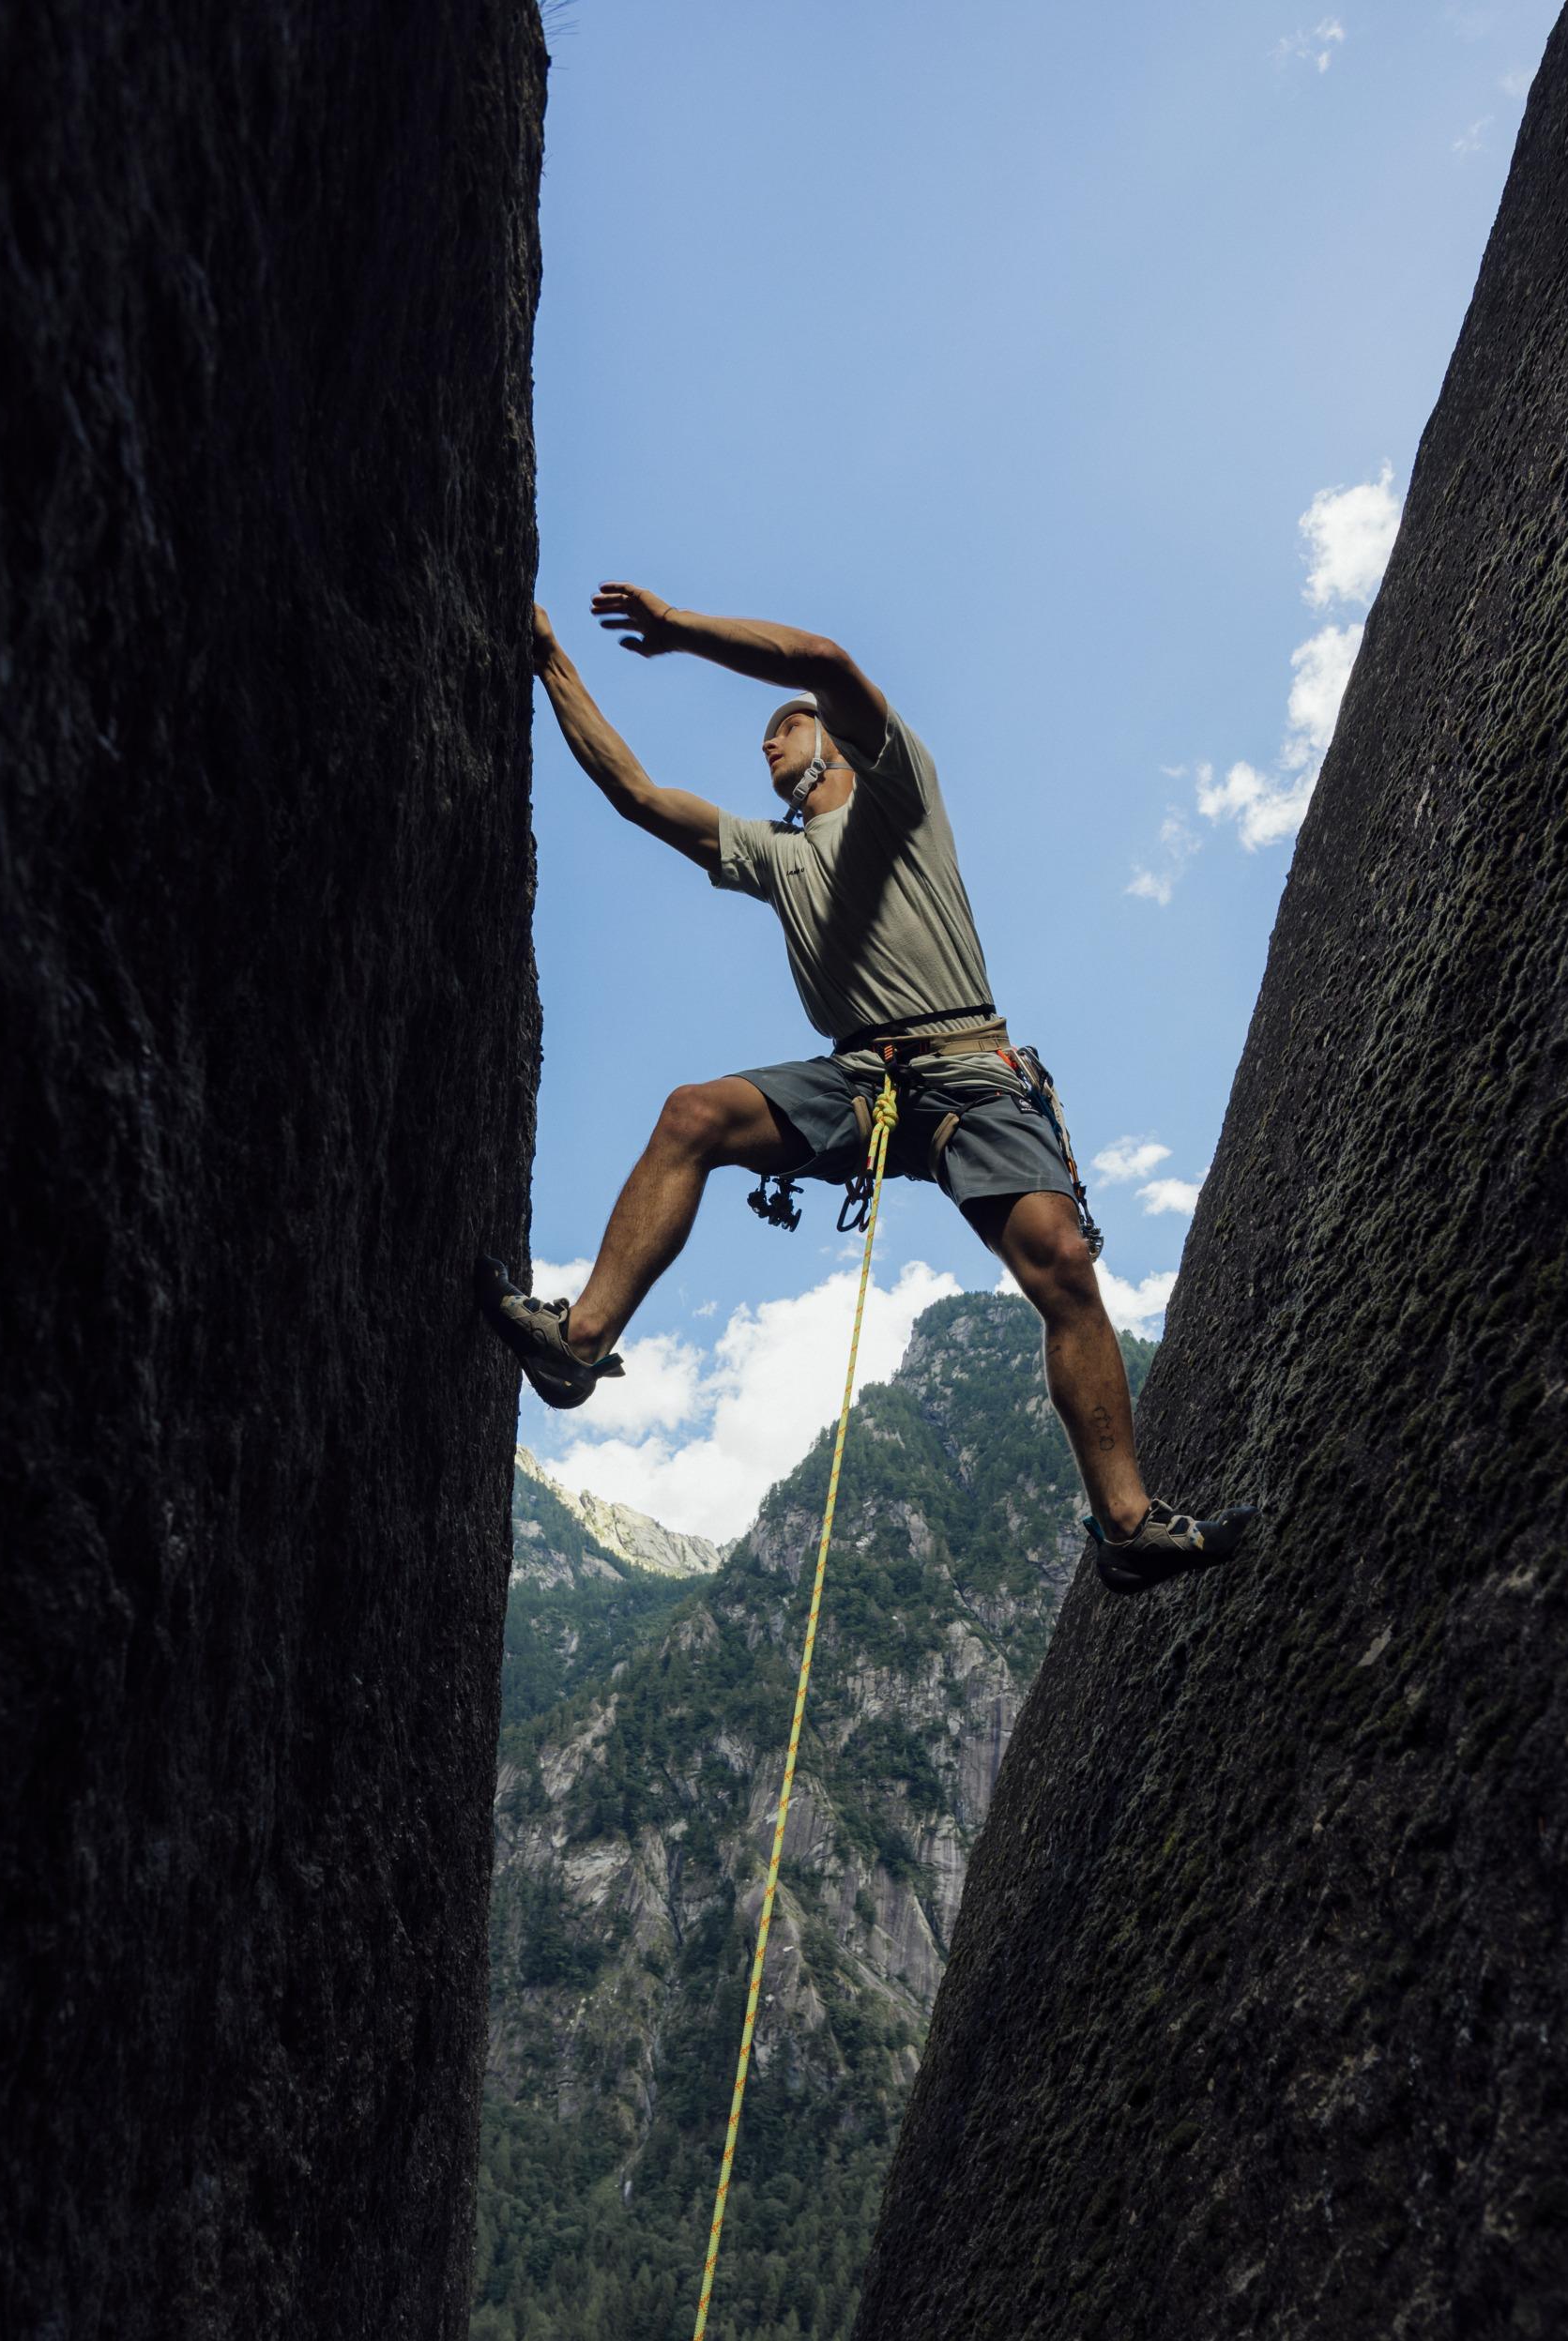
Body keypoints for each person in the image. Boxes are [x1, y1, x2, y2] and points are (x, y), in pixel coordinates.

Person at [479, 583, 1251, 1593]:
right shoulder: (774, 853)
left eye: (787, 728)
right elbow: (636, 793)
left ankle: (1129, 1524)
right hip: (860, 1078)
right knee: (693, 1114)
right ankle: (577, 1341)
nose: (770, 742)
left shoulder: (899, 789)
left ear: (833, 745)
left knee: (1062, 1267)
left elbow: (821, 658)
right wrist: (550, 664)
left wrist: (678, 633)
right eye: (767, 735)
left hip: (972, 1070)